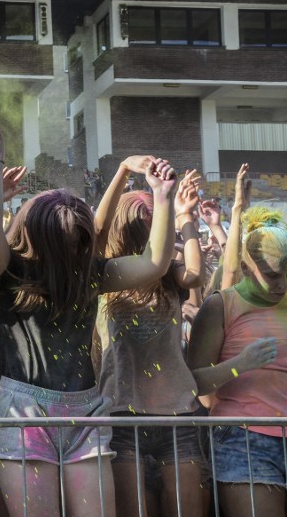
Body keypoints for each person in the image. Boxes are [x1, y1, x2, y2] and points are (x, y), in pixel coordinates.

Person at [0, 129, 179, 516]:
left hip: (85, 411)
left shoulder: (90, 275)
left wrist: (164, 198)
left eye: (78, 241)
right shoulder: (10, 273)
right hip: (25, 414)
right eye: (64, 240)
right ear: (37, 234)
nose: (73, 249)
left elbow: (154, 264)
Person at [188, 208, 287, 517]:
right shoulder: (221, 305)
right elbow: (194, 384)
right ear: (245, 267)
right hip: (245, 441)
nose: (283, 284)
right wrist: (239, 364)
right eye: (272, 275)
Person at [94, 160, 207, 517]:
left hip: (178, 417)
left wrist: (186, 216)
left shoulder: (169, 275)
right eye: (144, 217)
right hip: (123, 416)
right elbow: (97, 229)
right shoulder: (104, 275)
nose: (151, 223)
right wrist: (124, 171)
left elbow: (195, 275)